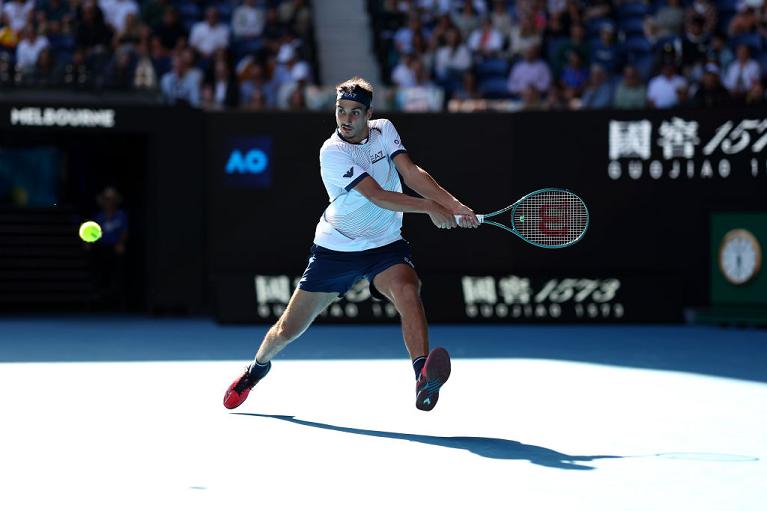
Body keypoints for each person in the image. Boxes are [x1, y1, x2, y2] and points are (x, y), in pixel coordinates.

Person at [224, 76, 479, 412]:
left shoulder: (384, 130)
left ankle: (422, 377)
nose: (345, 119)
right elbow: (378, 196)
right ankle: (256, 369)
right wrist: (431, 207)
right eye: (340, 110)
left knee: (407, 289)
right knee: (287, 330)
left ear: (368, 114)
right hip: (336, 249)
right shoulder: (332, 152)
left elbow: (412, 173)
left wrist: (455, 205)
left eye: (354, 113)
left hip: (384, 245)